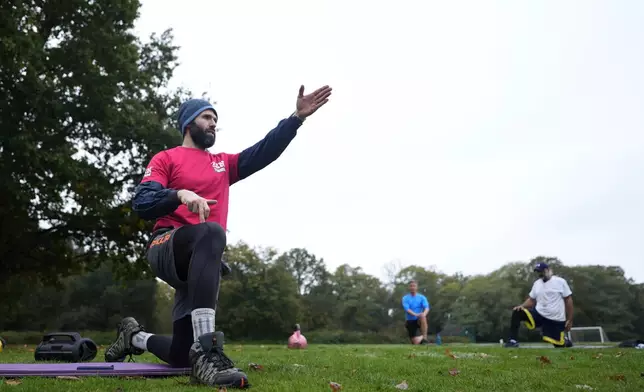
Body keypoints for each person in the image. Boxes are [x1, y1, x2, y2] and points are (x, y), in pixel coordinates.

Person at [103, 84, 333, 389]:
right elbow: (142, 202)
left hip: (200, 260)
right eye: (207, 117)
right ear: (189, 124)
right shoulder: (166, 159)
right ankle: (209, 351)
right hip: (165, 246)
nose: (214, 124)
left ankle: (134, 337)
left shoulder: (223, 164)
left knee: (180, 356)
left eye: (215, 119)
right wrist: (181, 194)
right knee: (212, 231)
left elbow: (264, 151)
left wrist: (295, 119)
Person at [504, 262, 574, 348]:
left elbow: (568, 300)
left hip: (554, 319)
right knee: (517, 312)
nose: (540, 274)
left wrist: (570, 320)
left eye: (542, 271)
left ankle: (565, 341)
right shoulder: (537, 284)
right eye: (538, 272)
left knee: (558, 345)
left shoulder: (560, 282)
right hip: (538, 314)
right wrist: (522, 306)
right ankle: (512, 340)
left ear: (548, 270)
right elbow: (531, 300)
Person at [401, 280, 430, 345]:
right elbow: (407, 309)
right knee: (416, 342)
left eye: (414, 286)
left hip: (419, 319)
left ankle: (425, 339)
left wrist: (424, 314)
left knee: (423, 316)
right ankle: (421, 339)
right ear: (409, 287)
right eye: (411, 286)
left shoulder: (422, 297)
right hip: (410, 321)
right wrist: (416, 314)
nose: (412, 287)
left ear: (417, 287)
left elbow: (427, 308)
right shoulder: (405, 298)